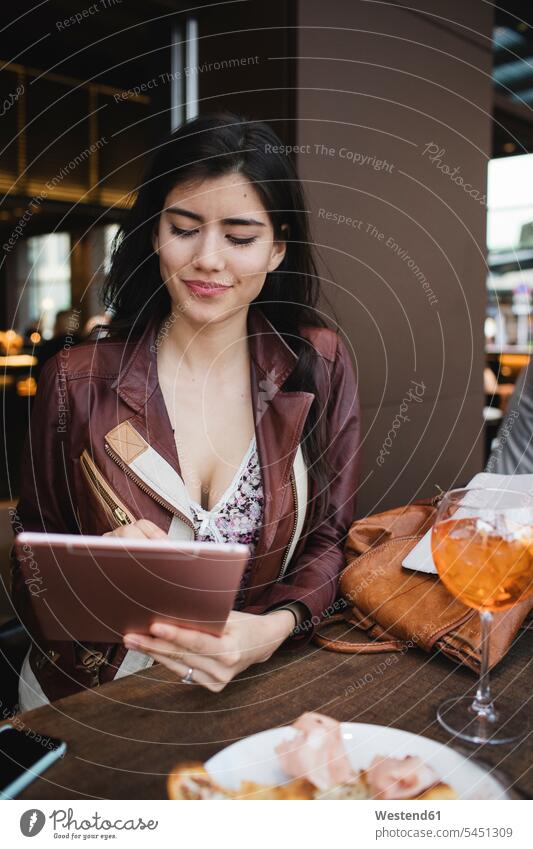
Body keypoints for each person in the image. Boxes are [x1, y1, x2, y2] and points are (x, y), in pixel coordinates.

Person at [11, 112, 361, 711]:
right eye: (184, 228)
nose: (208, 259)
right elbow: (29, 565)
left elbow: (333, 538)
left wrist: (271, 628)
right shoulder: (77, 380)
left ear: (277, 248)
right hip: (92, 700)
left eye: (241, 237)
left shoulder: (316, 360)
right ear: (153, 233)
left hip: (246, 696)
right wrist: (96, 569)